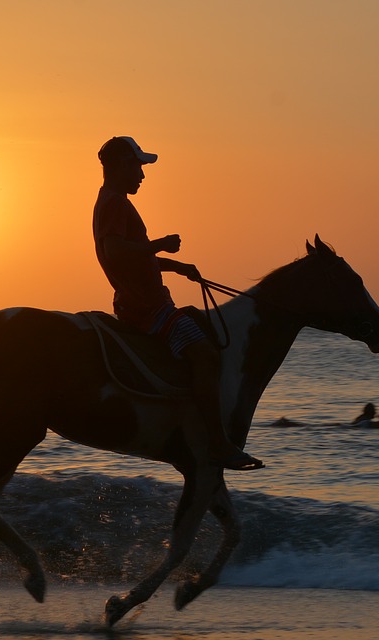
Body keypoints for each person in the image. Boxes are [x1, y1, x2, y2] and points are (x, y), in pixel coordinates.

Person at [93, 135, 263, 471]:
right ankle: (217, 442)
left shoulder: (112, 201)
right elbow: (114, 252)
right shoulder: (115, 203)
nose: (142, 175)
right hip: (146, 308)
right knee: (204, 355)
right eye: (136, 166)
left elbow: (131, 258)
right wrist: (160, 245)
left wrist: (175, 267)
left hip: (144, 301)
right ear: (118, 166)